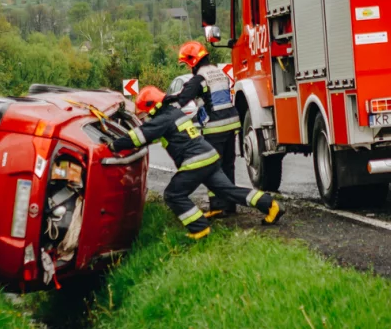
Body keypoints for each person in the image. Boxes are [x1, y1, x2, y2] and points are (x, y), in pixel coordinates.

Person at [109, 86, 283, 239]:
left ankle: (199, 228)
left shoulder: (161, 120)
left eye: (145, 113)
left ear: (151, 108)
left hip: (195, 162)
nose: (145, 116)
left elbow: (137, 138)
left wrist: (112, 145)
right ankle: (270, 205)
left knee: (173, 195)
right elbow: (152, 136)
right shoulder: (175, 113)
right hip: (210, 156)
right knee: (228, 191)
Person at [165, 41, 241, 218]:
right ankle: (230, 205)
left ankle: (218, 207)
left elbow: (182, 98)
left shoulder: (199, 78)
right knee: (229, 166)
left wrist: (165, 101)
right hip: (232, 123)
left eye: (186, 63)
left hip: (215, 128)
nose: (187, 67)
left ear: (192, 61)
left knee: (214, 168)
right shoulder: (219, 72)